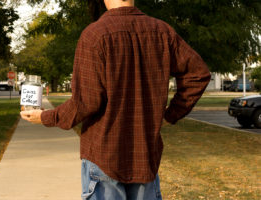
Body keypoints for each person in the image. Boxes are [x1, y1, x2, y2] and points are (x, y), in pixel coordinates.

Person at [20, 0, 211, 199]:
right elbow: (198, 74)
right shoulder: (162, 32)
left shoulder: (95, 35)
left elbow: (85, 102)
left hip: (104, 156)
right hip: (145, 154)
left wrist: (45, 117)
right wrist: (170, 115)